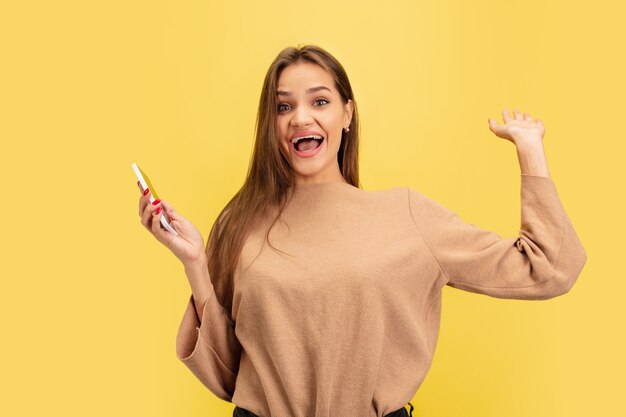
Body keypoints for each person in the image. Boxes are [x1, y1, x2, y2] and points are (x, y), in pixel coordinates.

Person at [136, 44, 587, 417]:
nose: (300, 118)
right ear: (271, 125)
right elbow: (225, 375)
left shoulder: (405, 215)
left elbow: (549, 268)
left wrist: (531, 152)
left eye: (320, 101)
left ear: (347, 114)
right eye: (283, 106)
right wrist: (194, 262)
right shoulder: (239, 223)